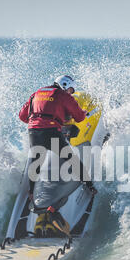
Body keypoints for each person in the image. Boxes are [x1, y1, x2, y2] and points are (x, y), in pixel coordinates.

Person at [19, 75, 97, 203]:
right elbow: (79, 118)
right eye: (71, 90)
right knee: (72, 160)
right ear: (64, 85)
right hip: (51, 131)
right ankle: (90, 187)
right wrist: (82, 111)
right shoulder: (63, 95)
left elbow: (22, 116)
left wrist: (40, 118)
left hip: (33, 131)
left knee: (36, 162)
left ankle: (31, 192)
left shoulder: (36, 93)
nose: (70, 93)